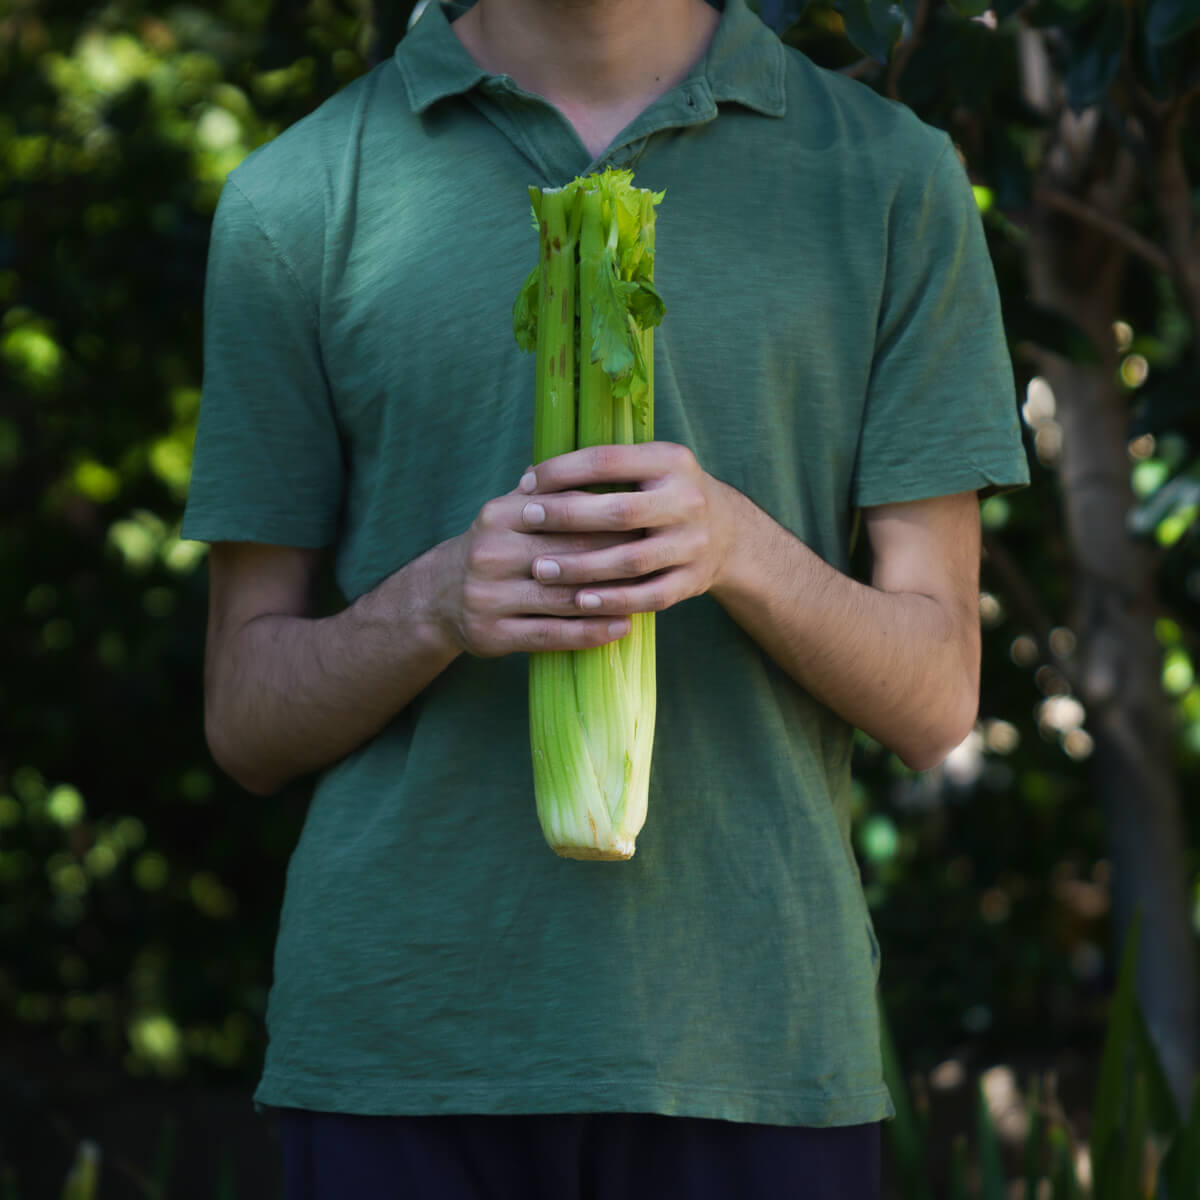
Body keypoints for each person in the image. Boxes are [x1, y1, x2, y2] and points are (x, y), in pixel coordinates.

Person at [182, 0, 1029, 1195]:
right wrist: (434, 607)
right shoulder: (304, 191)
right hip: (400, 1050)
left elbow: (938, 695)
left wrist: (739, 547)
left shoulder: (888, 176)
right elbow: (245, 716)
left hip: (754, 1040)